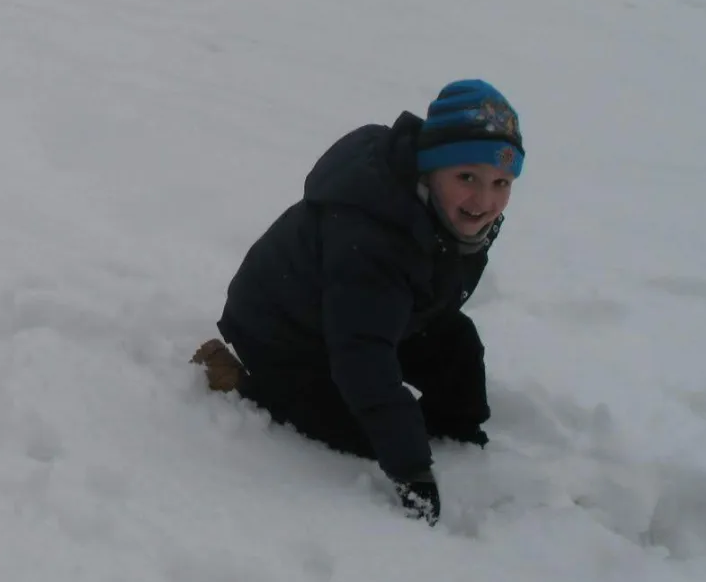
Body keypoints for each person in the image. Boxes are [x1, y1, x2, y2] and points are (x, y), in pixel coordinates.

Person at [192, 80, 524, 526]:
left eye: (501, 182)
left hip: (364, 313)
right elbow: (362, 353)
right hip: (285, 335)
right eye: (467, 177)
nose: (484, 201)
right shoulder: (373, 236)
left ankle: (456, 441)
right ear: (430, 168)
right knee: (359, 430)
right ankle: (238, 380)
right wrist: (412, 468)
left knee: (456, 344)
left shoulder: (449, 213)